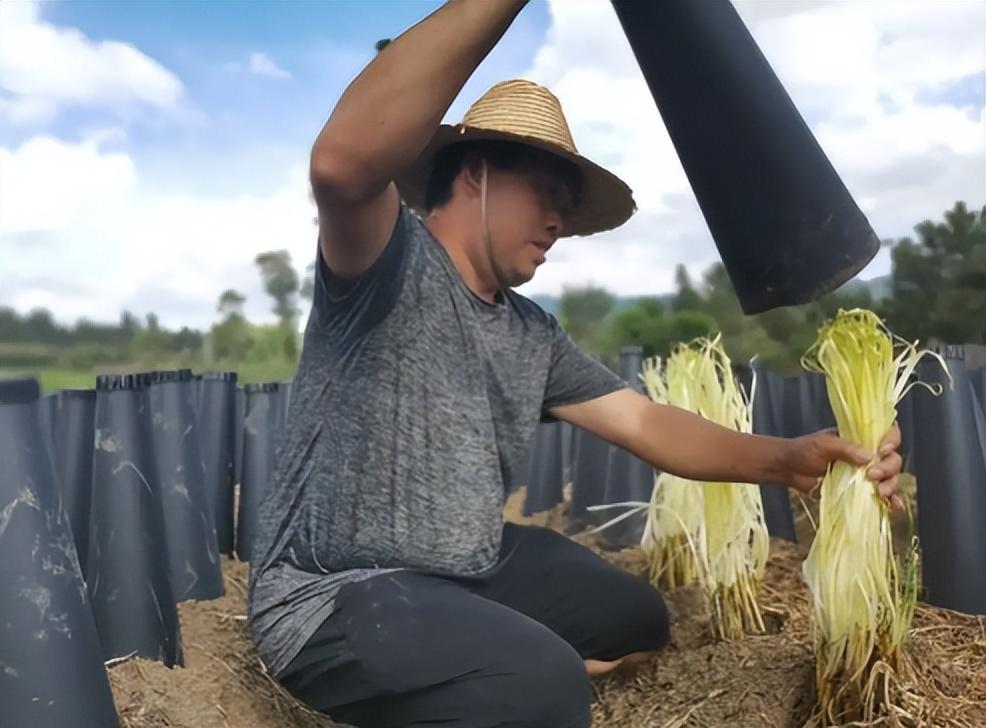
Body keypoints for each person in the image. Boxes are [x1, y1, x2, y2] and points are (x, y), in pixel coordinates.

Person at [247, 2, 905, 726]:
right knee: (544, 684)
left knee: (632, 620)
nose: (559, 221)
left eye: (567, 203)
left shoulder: (532, 334)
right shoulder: (387, 265)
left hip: (469, 568)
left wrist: (789, 459)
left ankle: (474, 663)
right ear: (476, 174)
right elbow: (341, 168)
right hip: (339, 592)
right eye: (546, 194)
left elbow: (645, 422)